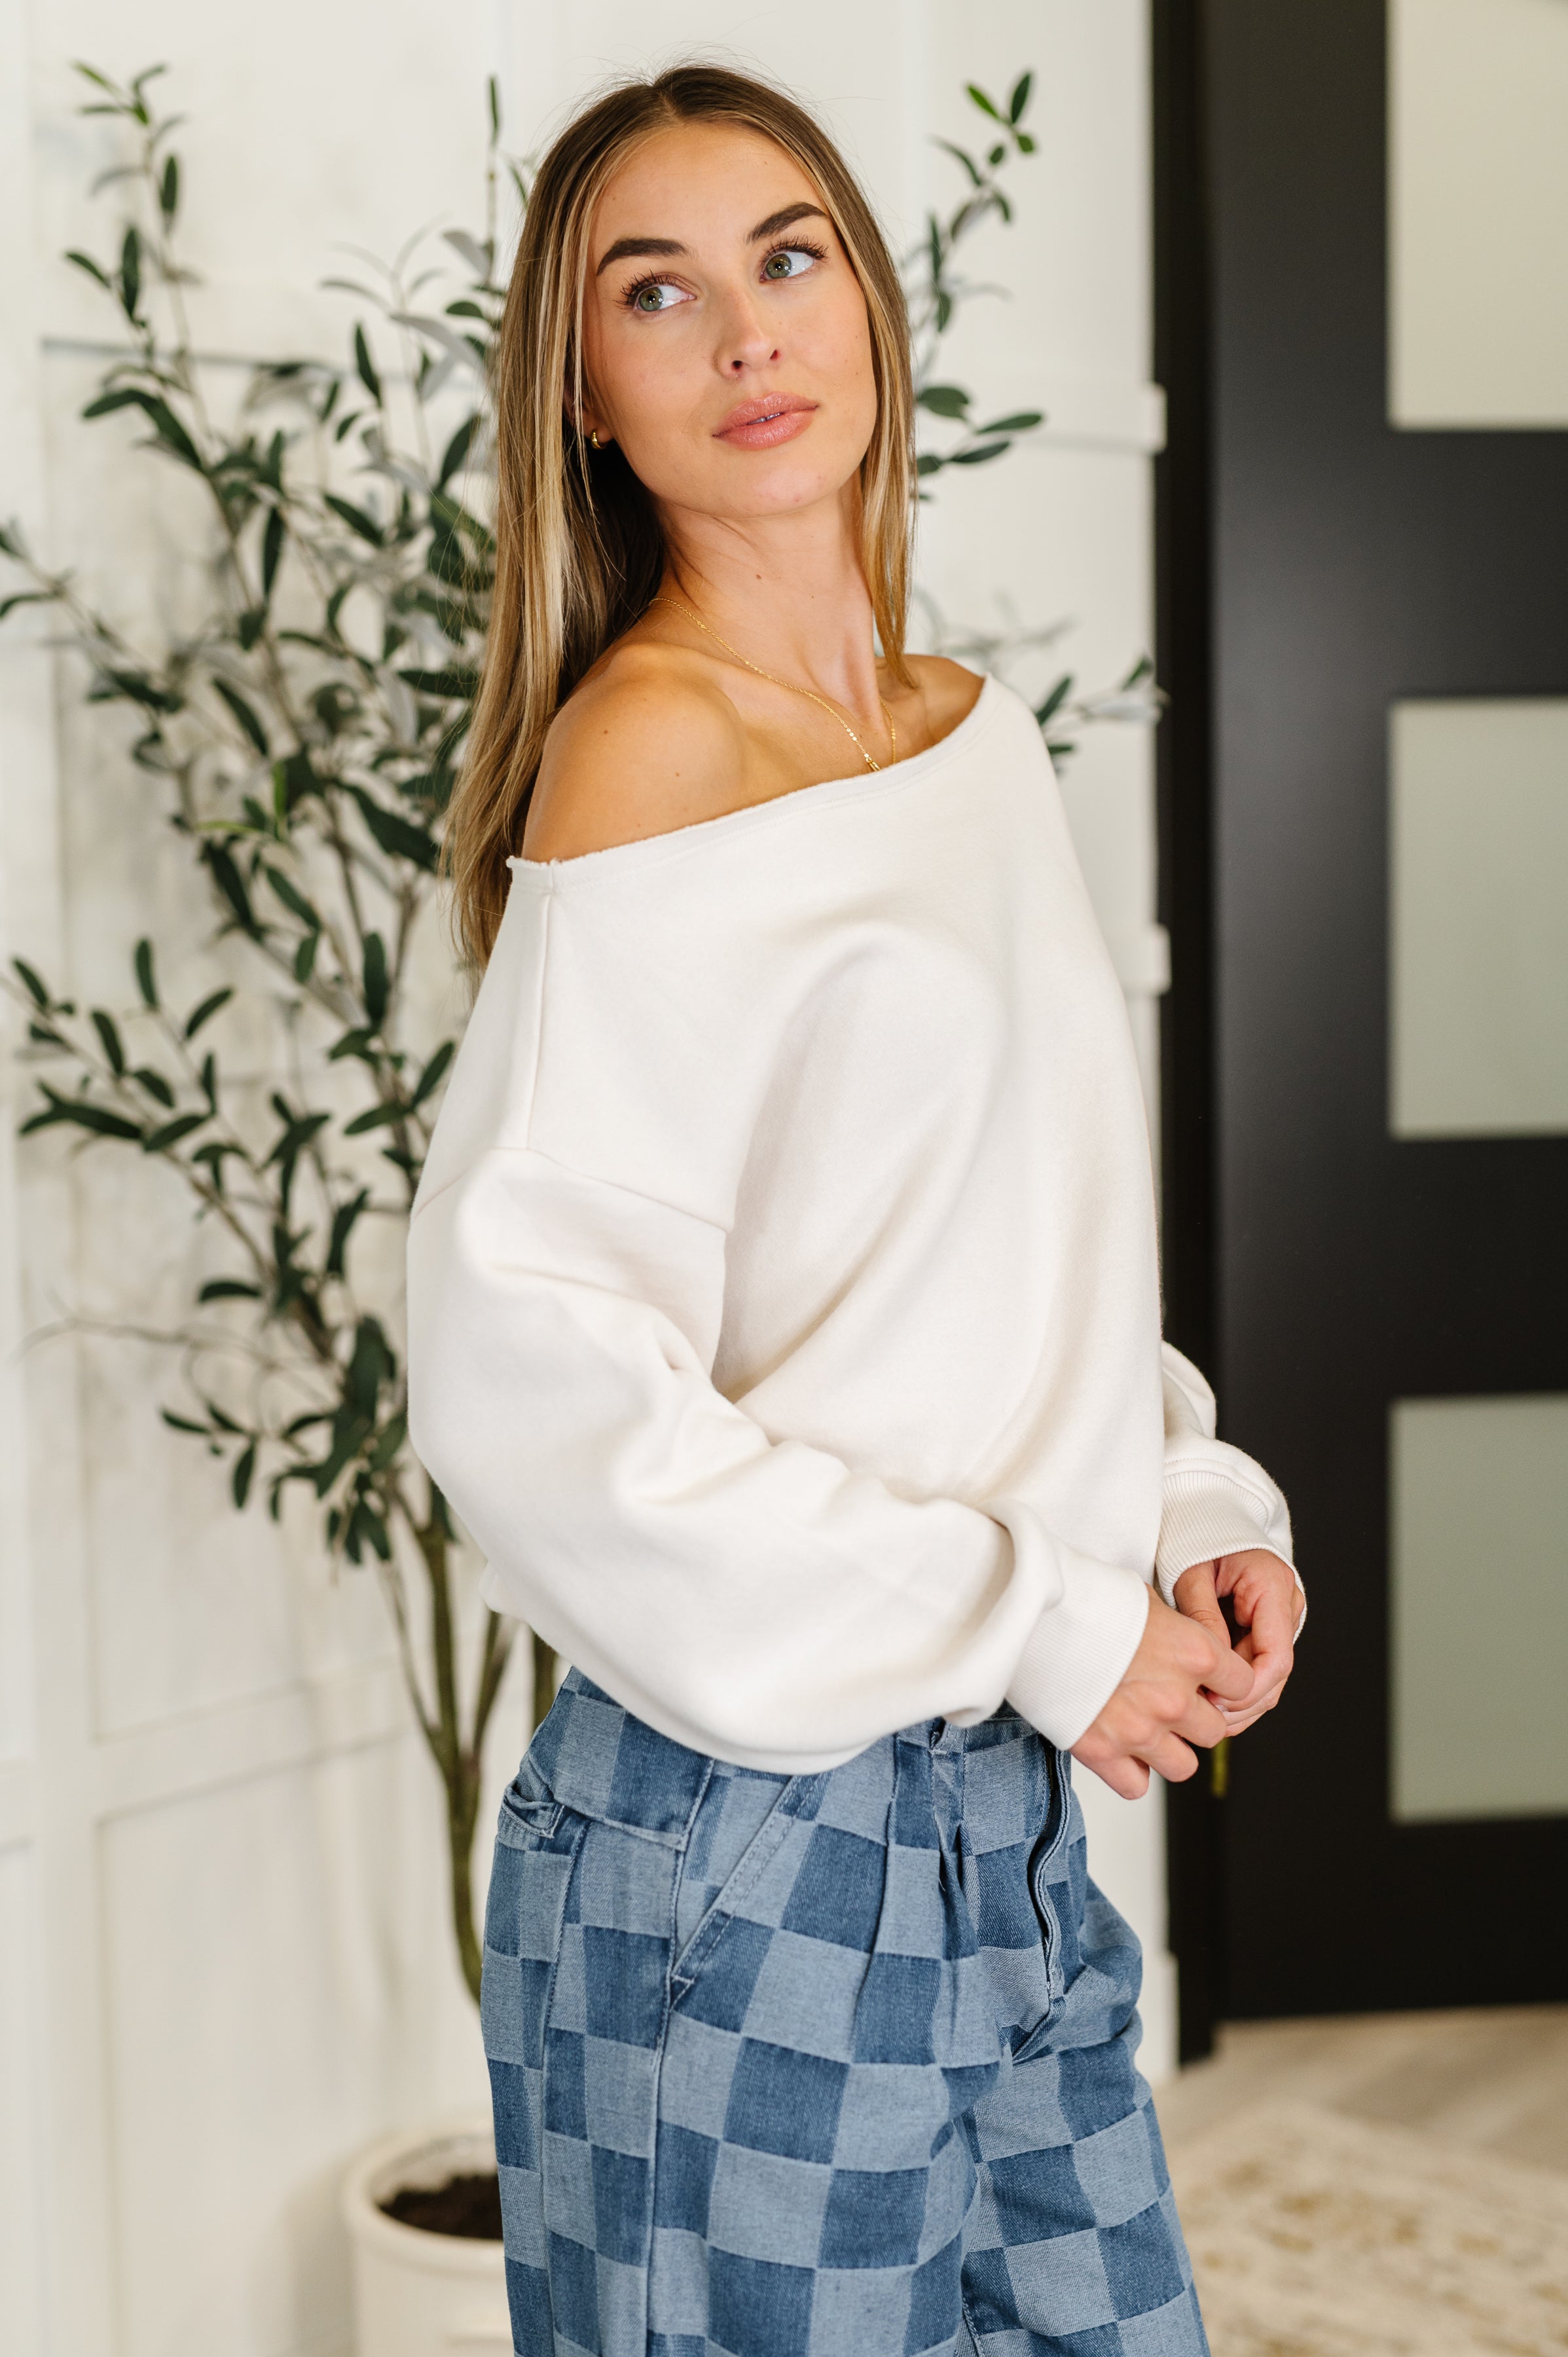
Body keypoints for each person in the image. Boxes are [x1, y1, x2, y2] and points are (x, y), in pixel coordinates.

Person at [407, 62, 1304, 2357]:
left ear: (868, 306)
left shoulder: (964, 734)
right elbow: (535, 1386)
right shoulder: (644, 760)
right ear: (585, 396)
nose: (744, 332)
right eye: (655, 294)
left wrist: (1180, 1501)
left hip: (991, 1810)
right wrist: (1040, 1618)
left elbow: (1005, 1258)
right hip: (750, 1840)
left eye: (786, 256)